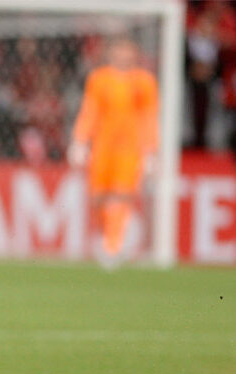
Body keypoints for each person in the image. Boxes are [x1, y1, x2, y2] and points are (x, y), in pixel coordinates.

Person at [68, 37, 158, 266]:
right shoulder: (99, 78)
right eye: (119, 50)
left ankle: (113, 247)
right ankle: (107, 236)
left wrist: (150, 152)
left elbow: (149, 118)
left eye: (127, 50)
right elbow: (90, 111)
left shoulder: (144, 81)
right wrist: (79, 141)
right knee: (98, 197)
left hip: (130, 148)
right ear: (111, 53)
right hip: (102, 146)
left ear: (135, 53)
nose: (122, 55)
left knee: (121, 195)